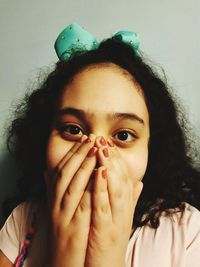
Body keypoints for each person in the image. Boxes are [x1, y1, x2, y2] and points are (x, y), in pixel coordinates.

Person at [0, 23, 200, 267]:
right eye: (74, 130)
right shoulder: (23, 220)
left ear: (151, 147)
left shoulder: (188, 232)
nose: (96, 152)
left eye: (124, 135)